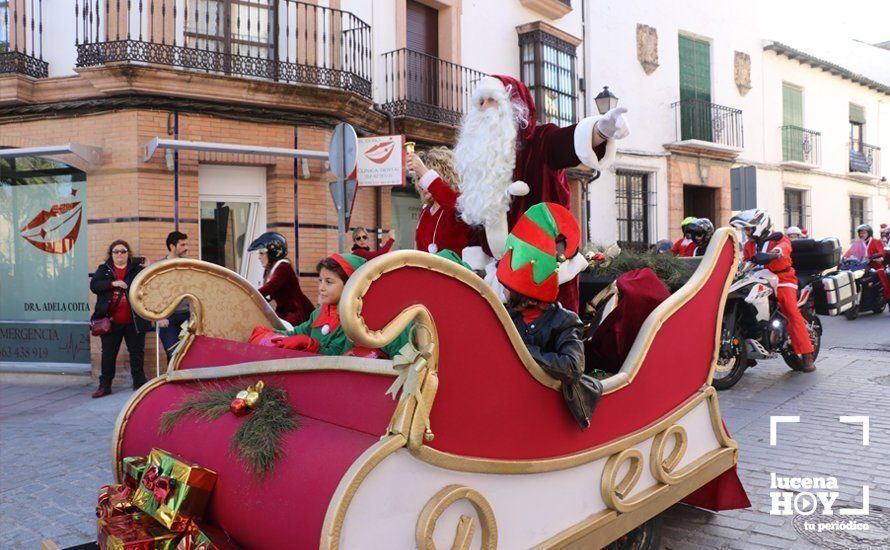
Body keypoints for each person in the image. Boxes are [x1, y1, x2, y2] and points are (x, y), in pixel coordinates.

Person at [452, 74, 630, 312]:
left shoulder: (540, 142)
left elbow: (568, 142)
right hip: (499, 281)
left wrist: (600, 130)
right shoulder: (481, 163)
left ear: (512, 105)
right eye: (480, 103)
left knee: (549, 345)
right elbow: (476, 226)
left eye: (490, 100)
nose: (483, 108)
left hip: (546, 277)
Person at [497, 202, 602, 430]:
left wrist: (520, 350)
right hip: (512, 408)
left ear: (523, 294)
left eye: (507, 287)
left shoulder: (564, 321)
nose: (503, 291)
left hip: (550, 418)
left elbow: (572, 368)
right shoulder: (505, 315)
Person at [273, 253, 409, 358]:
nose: (321, 288)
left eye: (329, 282)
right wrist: (268, 336)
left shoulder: (361, 317)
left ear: (351, 285)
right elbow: (297, 333)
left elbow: (337, 357)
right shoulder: (320, 313)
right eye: (320, 280)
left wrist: (311, 345)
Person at [730, 209, 815, 372]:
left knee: (791, 311)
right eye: (745, 229)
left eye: (748, 229)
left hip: (783, 279)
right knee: (744, 304)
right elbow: (747, 262)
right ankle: (746, 353)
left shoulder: (778, 238)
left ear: (759, 225)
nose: (746, 233)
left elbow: (784, 248)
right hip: (760, 278)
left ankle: (807, 354)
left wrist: (774, 253)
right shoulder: (750, 244)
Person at [89, 240, 151, 397]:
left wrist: (148, 268)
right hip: (110, 321)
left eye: (123, 251)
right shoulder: (104, 270)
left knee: (137, 352)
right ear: (111, 254)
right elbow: (95, 286)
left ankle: (139, 382)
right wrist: (112, 283)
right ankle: (105, 386)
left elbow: (149, 285)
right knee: (108, 354)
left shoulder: (137, 269)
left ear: (128, 253)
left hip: (134, 320)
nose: (119, 254)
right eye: (116, 251)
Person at [407, 147, 470, 255]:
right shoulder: (426, 211)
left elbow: (452, 204)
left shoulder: (459, 203)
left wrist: (424, 171)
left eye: (424, 178)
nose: (421, 184)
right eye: (419, 179)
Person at [248, 232, 313, 326]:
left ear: (272, 253)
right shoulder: (273, 270)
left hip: (295, 313)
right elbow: (267, 296)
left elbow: (270, 287)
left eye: (262, 253)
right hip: (284, 313)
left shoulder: (283, 266)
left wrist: (249, 294)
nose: (259, 257)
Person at [155, 231, 191, 359]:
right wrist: (158, 316)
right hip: (167, 317)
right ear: (172, 246)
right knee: (173, 353)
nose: (186, 248)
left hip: (187, 315)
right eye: (182, 245)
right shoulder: (159, 267)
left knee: (187, 353)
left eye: (187, 244)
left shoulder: (190, 265)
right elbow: (152, 294)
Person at [845, 224, 890, 300]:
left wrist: (875, 256)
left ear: (869, 233)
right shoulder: (858, 243)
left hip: (875, 266)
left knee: (882, 274)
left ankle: (888, 297)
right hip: (861, 267)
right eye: (860, 233)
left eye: (864, 233)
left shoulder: (876, 241)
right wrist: (844, 259)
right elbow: (849, 252)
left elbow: (882, 252)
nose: (861, 235)